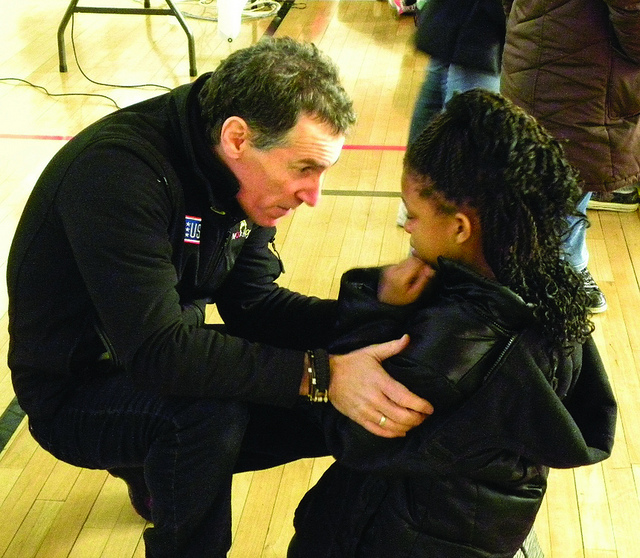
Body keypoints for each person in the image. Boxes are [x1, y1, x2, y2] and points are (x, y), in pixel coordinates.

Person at [6, 37, 433, 558]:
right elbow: (160, 355)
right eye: (304, 168)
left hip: (158, 352)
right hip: (75, 389)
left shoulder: (235, 173)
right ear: (237, 137)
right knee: (210, 414)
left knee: (350, 408)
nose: (314, 196)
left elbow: (254, 305)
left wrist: (378, 312)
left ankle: (154, 471)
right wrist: (322, 375)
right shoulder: (117, 173)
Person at [288, 90, 617, 558]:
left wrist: (378, 311)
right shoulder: (549, 288)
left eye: (413, 214)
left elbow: (351, 436)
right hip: (477, 530)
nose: (406, 227)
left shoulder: (450, 346)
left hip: (391, 539)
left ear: (461, 228)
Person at [501, 0, 640, 313]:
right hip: (582, 83)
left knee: (549, 186)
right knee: (567, 188)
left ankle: (556, 269)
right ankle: (558, 276)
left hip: (536, 57)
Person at [397, 0, 506, 226]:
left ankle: (417, 204)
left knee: (436, 106)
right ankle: (439, 216)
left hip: (451, 18)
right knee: (463, 130)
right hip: (480, 31)